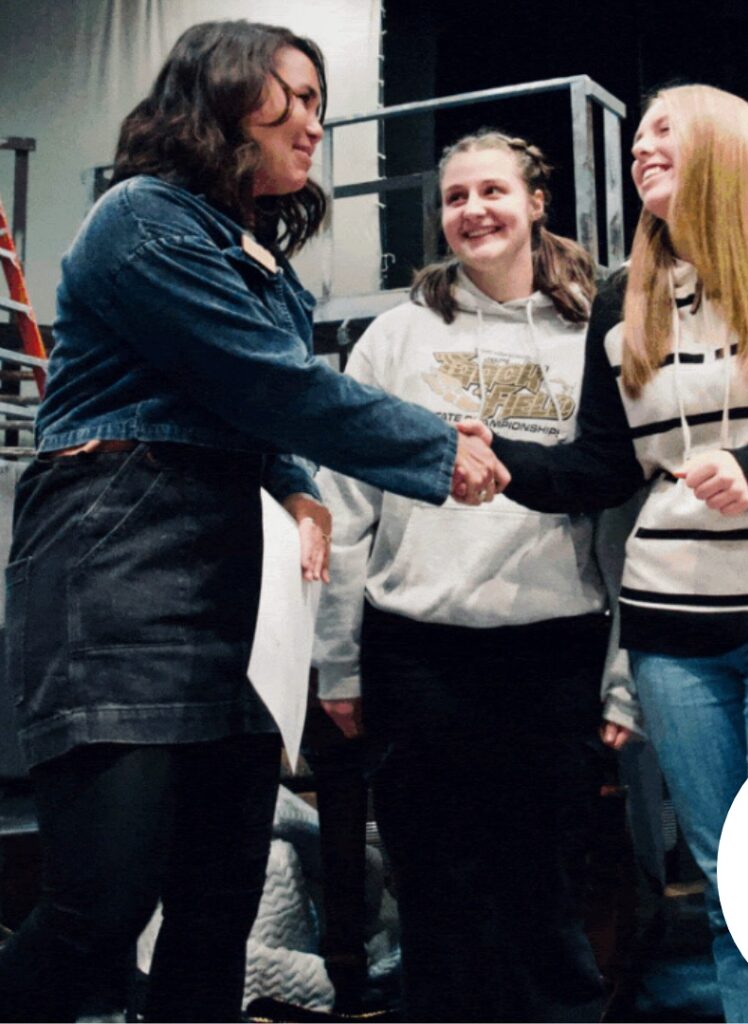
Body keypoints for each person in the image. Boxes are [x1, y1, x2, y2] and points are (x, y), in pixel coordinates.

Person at [0, 20, 504, 1023]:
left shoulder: (260, 255)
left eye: (320, 100)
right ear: (228, 94)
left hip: (226, 594)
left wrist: (299, 483)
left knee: (216, 904)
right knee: (99, 906)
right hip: (118, 574)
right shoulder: (141, 218)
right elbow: (259, 379)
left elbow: (245, 402)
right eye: (297, 96)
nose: (317, 122)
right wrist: (434, 448)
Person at [473, 85, 748, 1023]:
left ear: (726, 143)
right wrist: (490, 462)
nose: (641, 150)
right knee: (731, 885)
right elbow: (602, 467)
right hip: (676, 630)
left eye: (662, 132)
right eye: (636, 140)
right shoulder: (620, 298)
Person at [314, 130, 636, 1022]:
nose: (472, 212)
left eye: (492, 191)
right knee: (434, 894)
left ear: (537, 203)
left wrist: (621, 676)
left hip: (552, 654)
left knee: (543, 889)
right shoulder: (393, 338)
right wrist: (337, 662)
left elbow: (620, 515)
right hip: (418, 655)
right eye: (455, 198)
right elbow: (346, 510)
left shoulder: (592, 339)